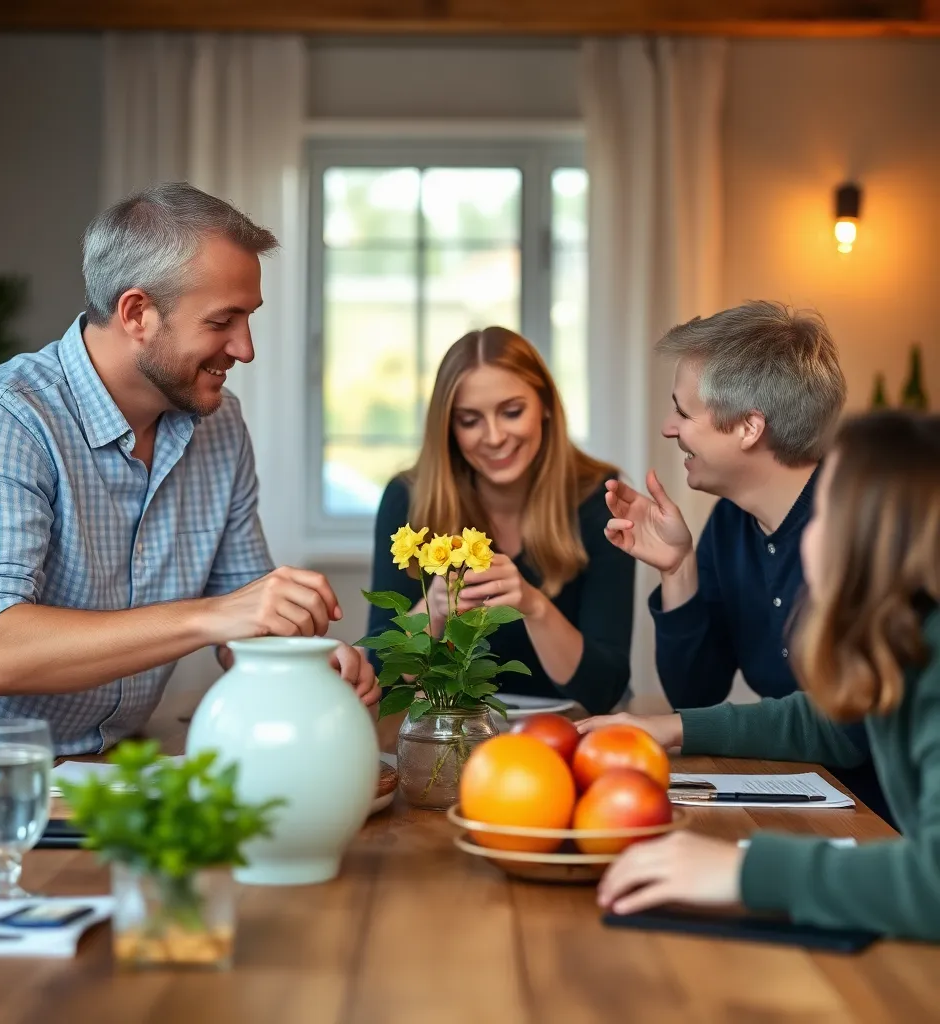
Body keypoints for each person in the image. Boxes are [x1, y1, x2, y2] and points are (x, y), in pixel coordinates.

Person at [0, 182, 379, 830]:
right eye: (222, 321)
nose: (245, 349)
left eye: (250, 318)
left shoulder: (218, 427)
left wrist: (306, 659)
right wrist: (212, 617)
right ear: (137, 313)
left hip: (109, 781)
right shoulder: (3, 419)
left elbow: (245, 620)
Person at [582, 411, 940, 941]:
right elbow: (826, 722)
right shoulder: (909, 639)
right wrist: (678, 727)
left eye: (825, 514)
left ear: (875, 538)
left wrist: (742, 871)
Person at [603, 301, 888, 817]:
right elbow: (698, 691)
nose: (669, 427)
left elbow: (847, 728)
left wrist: (675, 729)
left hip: (887, 824)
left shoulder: (863, 530)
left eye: (684, 412)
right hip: (803, 803)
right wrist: (676, 568)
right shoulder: (732, 525)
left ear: (749, 428)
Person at [367, 326, 635, 714]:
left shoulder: (598, 499)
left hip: (566, 734)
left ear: (544, 405)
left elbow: (604, 690)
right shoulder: (409, 499)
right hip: (448, 735)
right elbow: (377, 679)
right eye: (470, 420)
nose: (493, 437)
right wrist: (433, 611)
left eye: (511, 412)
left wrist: (533, 604)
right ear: (449, 428)